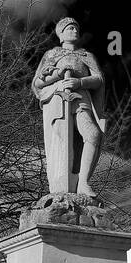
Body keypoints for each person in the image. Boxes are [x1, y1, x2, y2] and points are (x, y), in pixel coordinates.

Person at [31, 17, 105, 196]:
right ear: (61, 34)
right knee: (63, 142)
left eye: (76, 28)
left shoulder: (87, 56)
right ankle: (63, 183)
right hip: (59, 101)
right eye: (70, 28)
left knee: (93, 134)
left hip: (81, 98)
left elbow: (99, 80)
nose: (75, 31)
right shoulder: (51, 55)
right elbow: (37, 83)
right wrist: (57, 76)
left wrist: (79, 82)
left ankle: (83, 183)